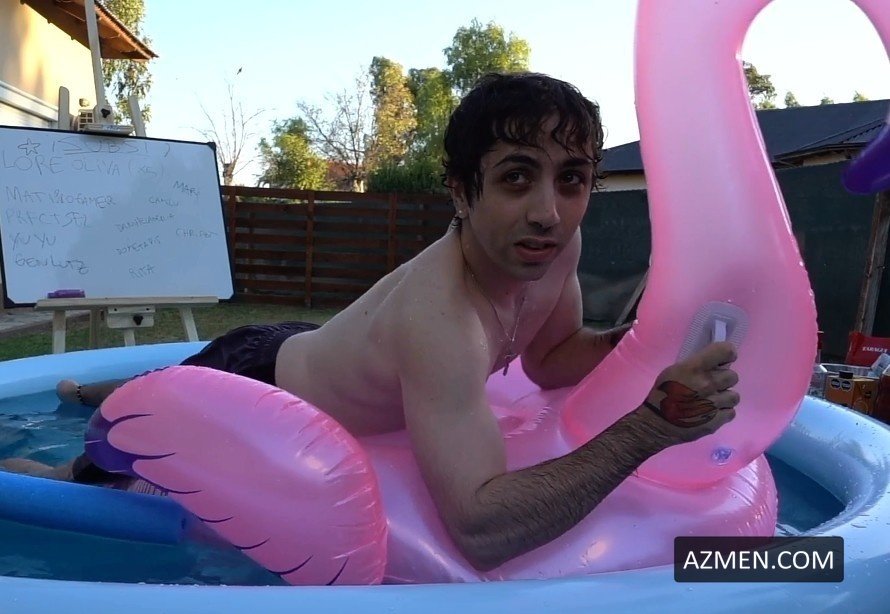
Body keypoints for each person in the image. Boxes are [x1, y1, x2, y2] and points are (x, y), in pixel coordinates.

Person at [1, 72, 739, 572]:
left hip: (307, 348)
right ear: (462, 191)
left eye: (571, 180)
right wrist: (647, 429)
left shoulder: (555, 248)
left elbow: (551, 359)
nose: (548, 211)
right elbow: (482, 531)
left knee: (147, 382)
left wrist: (640, 338)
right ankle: (58, 420)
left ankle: (90, 387)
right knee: (86, 473)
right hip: (255, 381)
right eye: (517, 177)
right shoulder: (441, 318)